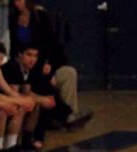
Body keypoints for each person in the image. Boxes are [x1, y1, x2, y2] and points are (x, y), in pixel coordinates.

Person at [8, 0, 91, 129]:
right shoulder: (13, 18)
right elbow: (15, 47)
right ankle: (65, 116)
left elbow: (51, 45)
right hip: (26, 64)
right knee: (42, 82)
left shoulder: (39, 16)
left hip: (42, 63)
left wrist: (50, 65)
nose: (17, 2)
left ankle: (70, 115)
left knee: (69, 73)